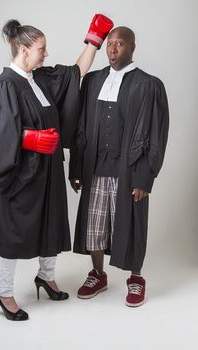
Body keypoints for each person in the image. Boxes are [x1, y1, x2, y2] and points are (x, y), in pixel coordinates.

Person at [0, 15, 114, 321]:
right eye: (41, 49)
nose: (46, 54)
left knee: (52, 222)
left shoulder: (39, 79)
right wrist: (28, 138)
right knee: (13, 232)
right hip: (21, 176)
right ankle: (3, 292)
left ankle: (46, 277)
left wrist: (94, 39)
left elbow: (75, 75)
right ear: (23, 50)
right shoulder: (4, 86)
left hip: (49, 170)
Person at [69, 26, 169, 307]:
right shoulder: (92, 82)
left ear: (132, 48)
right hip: (95, 166)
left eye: (120, 44)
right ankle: (98, 274)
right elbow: (80, 126)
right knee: (94, 225)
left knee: (133, 224)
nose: (113, 49)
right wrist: (76, 166)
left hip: (130, 170)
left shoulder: (149, 85)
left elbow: (156, 134)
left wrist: (145, 177)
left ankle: (136, 278)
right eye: (110, 44)